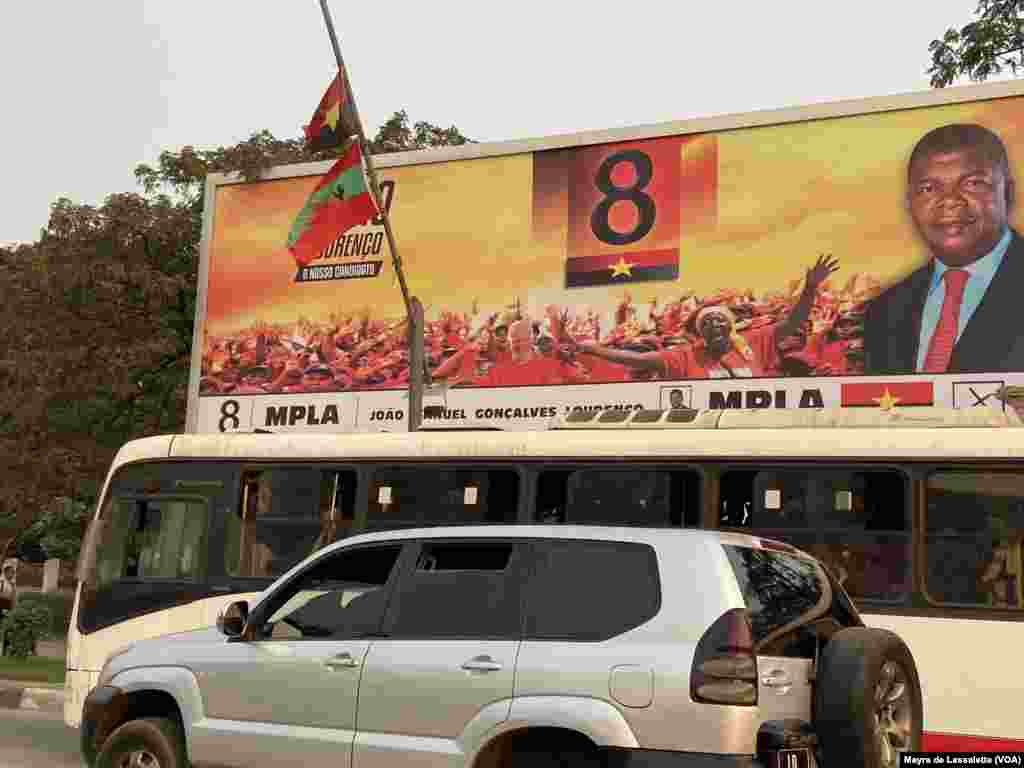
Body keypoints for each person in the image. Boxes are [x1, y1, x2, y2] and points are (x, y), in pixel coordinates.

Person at [865, 123, 1024, 374]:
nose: (949, 201)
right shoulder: (884, 312)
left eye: (973, 183)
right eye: (928, 188)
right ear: (910, 203)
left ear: (1008, 193)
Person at [577, 255, 838, 379]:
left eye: (719, 319)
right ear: (701, 332)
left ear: (731, 326)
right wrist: (594, 350)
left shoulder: (753, 342)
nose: (714, 323)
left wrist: (810, 288)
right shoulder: (685, 356)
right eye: (707, 322)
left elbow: (794, 322)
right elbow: (637, 358)